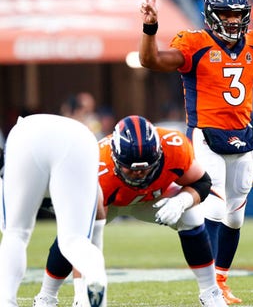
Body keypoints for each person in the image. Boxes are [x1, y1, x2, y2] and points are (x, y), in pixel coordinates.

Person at [138, 0, 253, 303]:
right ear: (210, 15)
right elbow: (151, 60)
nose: (233, 21)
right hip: (206, 135)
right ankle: (207, 288)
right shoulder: (194, 44)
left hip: (243, 137)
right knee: (215, 208)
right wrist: (150, 28)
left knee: (235, 217)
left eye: (237, 14)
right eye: (226, 14)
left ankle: (220, 281)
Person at [33, 115, 227, 307]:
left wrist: (181, 202)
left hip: (152, 198)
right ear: (115, 158)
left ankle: (211, 293)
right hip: (108, 202)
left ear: (159, 154)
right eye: (131, 169)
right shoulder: (97, 166)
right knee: (72, 234)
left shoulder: (174, 146)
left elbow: (202, 182)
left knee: (191, 215)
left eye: (146, 169)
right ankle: (46, 297)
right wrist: (81, 294)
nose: (139, 175)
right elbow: (85, 236)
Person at [0, 114, 107, 307]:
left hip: (28, 134)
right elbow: (98, 215)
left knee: (15, 234)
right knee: (75, 240)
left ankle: (6, 302)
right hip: (81, 138)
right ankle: (94, 273)